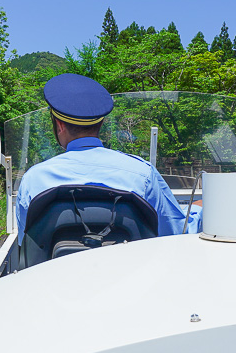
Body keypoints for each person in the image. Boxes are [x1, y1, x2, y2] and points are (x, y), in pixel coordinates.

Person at [16, 73, 199, 243]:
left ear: (59, 125)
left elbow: (27, 245)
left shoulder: (34, 180)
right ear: (101, 122)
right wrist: (199, 209)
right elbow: (176, 233)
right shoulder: (143, 175)